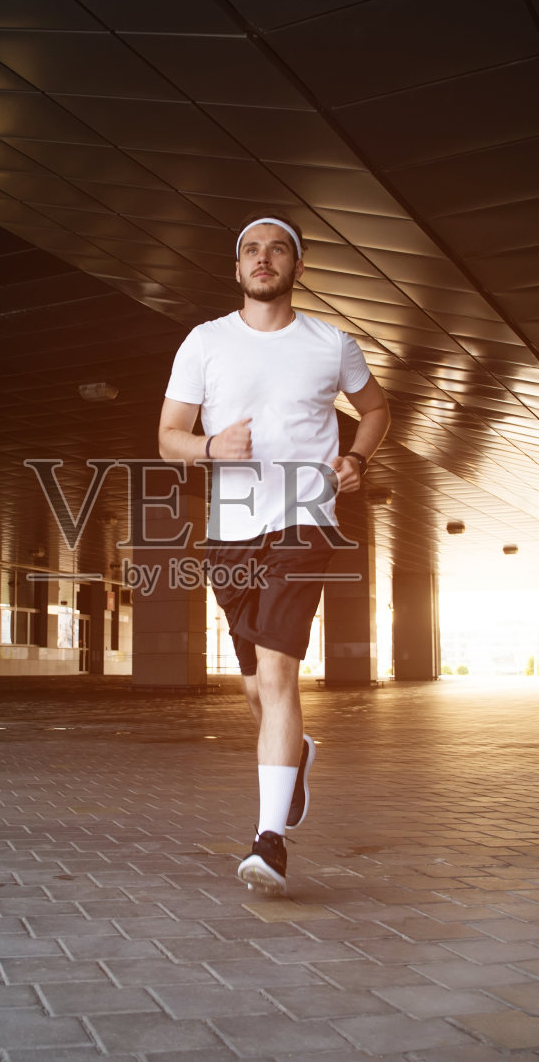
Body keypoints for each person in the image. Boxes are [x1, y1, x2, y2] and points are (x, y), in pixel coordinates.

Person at [158, 212, 390, 895]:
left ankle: (269, 841)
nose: (264, 259)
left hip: (304, 520)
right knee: (257, 685)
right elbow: (169, 434)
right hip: (231, 531)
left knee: (281, 674)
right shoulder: (204, 342)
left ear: (297, 263)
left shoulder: (332, 343)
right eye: (251, 250)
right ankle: (296, 754)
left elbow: (377, 410)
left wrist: (355, 457)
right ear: (237, 269)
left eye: (277, 249)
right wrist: (209, 447)